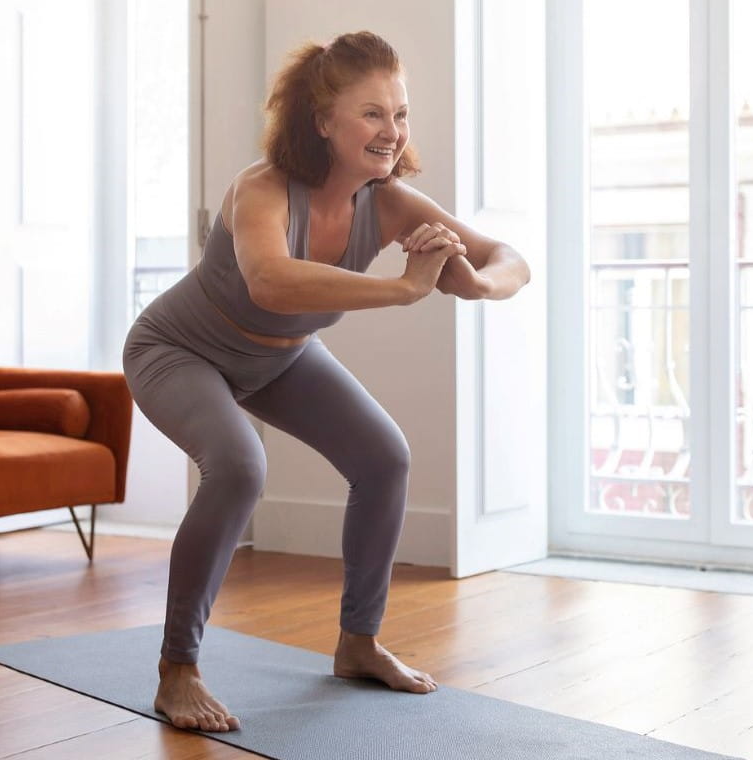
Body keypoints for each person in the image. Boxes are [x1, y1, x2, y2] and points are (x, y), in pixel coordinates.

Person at [121, 30, 531, 734]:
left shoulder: (391, 201)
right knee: (239, 468)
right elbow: (270, 280)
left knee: (384, 457)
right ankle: (178, 668)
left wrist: (471, 278)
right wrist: (405, 289)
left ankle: (357, 642)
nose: (391, 131)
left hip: (278, 355)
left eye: (399, 114)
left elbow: (507, 257)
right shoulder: (263, 189)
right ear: (322, 122)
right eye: (372, 113)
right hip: (178, 349)